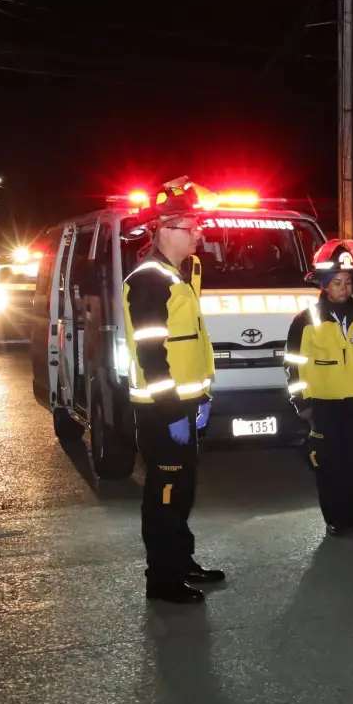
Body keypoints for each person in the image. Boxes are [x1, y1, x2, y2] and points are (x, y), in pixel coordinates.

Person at [121, 181, 222, 604]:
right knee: (164, 496)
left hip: (183, 405)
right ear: (163, 229)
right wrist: (171, 409)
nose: (197, 232)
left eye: (197, 225)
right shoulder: (149, 281)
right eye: (188, 225)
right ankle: (161, 581)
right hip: (162, 410)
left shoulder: (177, 276)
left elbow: (189, 347)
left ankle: (181, 562)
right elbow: (151, 353)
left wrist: (199, 399)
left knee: (182, 492)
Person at [283, 238, 353, 536]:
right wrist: (301, 403)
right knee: (329, 464)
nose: (345, 288)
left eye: (348, 282)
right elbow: (293, 364)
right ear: (325, 285)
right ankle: (335, 520)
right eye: (338, 283)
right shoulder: (305, 321)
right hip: (323, 404)